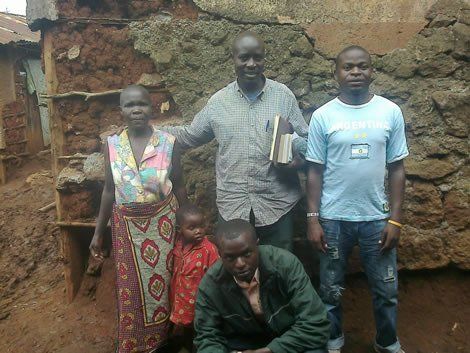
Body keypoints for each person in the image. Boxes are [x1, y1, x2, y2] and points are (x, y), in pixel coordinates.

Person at [305, 45, 408, 353]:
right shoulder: (323, 116)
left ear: (371, 70)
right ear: (336, 73)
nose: (355, 73)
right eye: (348, 67)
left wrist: (396, 218)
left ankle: (387, 343)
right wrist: (313, 219)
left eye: (362, 66)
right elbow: (314, 172)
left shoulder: (389, 112)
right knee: (331, 289)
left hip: (377, 219)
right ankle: (333, 341)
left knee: (386, 289)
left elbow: (397, 169)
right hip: (334, 219)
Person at [165, 31, 309, 251]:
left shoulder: (283, 96)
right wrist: (151, 133)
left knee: (280, 271)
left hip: (277, 202)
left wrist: (299, 161)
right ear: (233, 58)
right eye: (244, 58)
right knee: (235, 272)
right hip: (233, 204)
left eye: (257, 57)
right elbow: (191, 135)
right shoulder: (218, 102)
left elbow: (304, 139)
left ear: (264, 58)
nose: (251, 64)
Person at [89, 85, 187, 353]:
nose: (136, 110)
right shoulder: (112, 145)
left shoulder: (168, 143)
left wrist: (187, 222)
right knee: (130, 290)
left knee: (166, 284)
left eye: (142, 104)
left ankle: (165, 340)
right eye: (129, 105)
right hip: (126, 230)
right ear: (121, 110)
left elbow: (178, 186)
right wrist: (99, 232)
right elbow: (109, 191)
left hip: (163, 226)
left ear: (151, 107)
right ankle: (136, 343)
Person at [194, 219, 330, 353]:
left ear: (257, 246)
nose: (240, 263)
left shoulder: (285, 265)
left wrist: (271, 350)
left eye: (247, 254)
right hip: (244, 342)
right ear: (220, 255)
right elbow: (207, 337)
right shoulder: (211, 285)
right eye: (230, 258)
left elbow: (316, 323)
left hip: (290, 336)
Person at [168, 204, 219, 352]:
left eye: (201, 226)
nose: (198, 231)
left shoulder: (209, 249)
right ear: (180, 230)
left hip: (200, 302)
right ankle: (188, 345)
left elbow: (217, 275)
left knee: (201, 328)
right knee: (187, 328)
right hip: (181, 299)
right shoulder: (177, 245)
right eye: (192, 227)